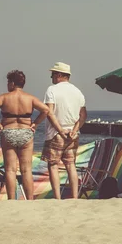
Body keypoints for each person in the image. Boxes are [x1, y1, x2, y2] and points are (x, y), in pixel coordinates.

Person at [0, 70, 67, 200]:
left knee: (10, 170)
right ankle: (30, 200)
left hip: (8, 132)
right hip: (26, 132)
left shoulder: (4, 97)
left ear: (12, 83)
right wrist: (36, 123)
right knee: (26, 170)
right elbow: (46, 110)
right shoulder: (30, 98)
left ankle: (12, 199)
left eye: (8, 82)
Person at [41, 62, 87, 199]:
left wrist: (60, 130)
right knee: (71, 164)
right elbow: (83, 115)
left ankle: (57, 197)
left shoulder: (52, 90)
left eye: (53, 74)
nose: (51, 77)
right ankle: (74, 197)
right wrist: (75, 130)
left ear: (59, 75)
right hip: (73, 133)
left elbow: (49, 112)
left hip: (56, 133)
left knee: (53, 165)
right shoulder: (78, 91)